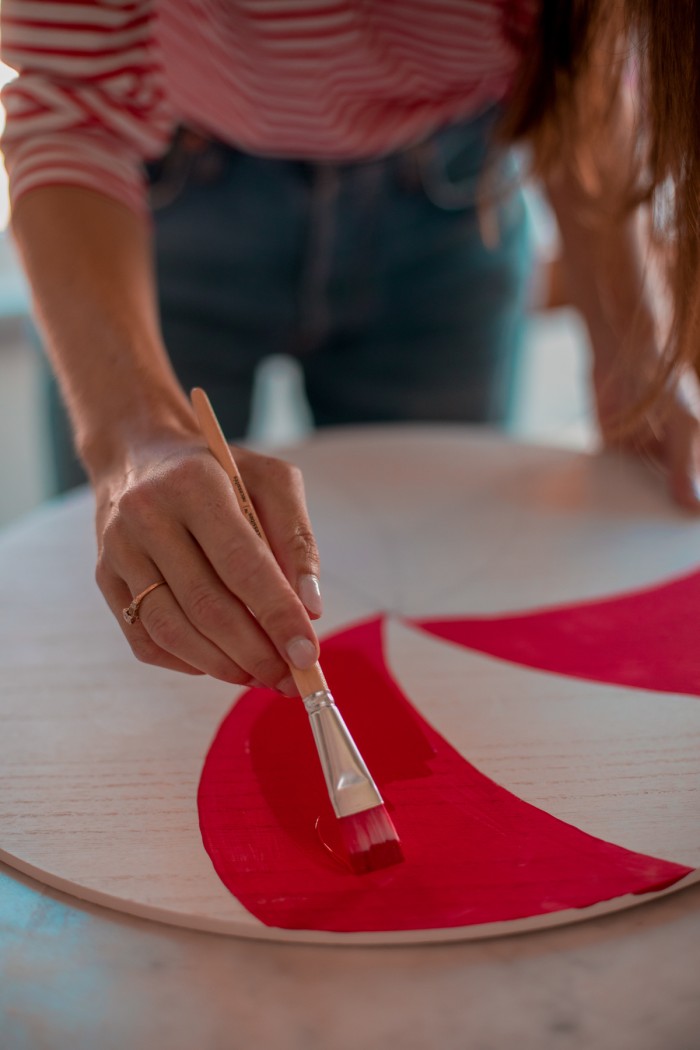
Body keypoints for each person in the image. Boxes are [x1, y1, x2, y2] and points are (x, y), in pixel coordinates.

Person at [1, 1, 699, 698]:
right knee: (163, 591)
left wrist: (632, 344)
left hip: (454, 188)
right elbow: (70, 113)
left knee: (447, 592)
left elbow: (579, 58)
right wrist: (134, 439)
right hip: (159, 196)